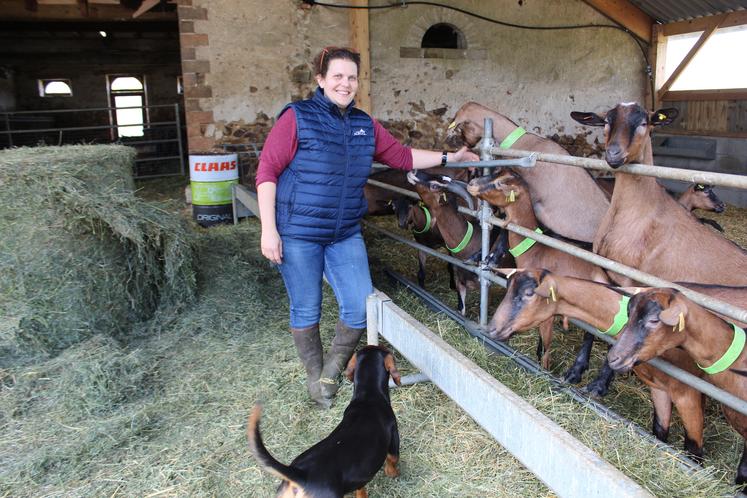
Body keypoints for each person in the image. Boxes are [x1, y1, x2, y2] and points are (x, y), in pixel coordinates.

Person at [256, 46, 478, 407]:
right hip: (298, 232)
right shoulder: (296, 118)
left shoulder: (364, 125)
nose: (345, 84)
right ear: (321, 80)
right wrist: (270, 230)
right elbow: (266, 172)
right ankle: (317, 378)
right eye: (338, 76)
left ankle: (332, 369)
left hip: (344, 233)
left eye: (352, 77)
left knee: (359, 306)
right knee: (306, 307)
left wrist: (449, 158)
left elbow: (402, 156)